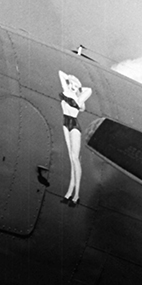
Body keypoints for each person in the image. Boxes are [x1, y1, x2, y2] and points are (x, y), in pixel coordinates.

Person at [58, 70, 92, 206]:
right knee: (71, 159)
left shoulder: (79, 98)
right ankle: (68, 193)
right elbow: (61, 73)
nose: (71, 86)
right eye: (70, 84)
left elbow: (88, 90)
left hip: (74, 126)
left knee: (75, 158)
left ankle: (76, 195)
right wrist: (70, 79)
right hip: (65, 124)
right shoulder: (66, 91)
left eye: (74, 85)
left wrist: (78, 88)